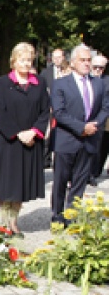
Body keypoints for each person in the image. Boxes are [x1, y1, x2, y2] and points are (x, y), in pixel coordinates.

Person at [0, 42, 50, 237]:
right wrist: (17, 133)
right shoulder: (2, 83)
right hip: (8, 142)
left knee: (21, 184)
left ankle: (14, 222)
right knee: (7, 184)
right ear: (14, 61)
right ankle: (4, 222)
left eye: (29, 60)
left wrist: (34, 132)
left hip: (31, 141)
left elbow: (44, 111)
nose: (26, 63)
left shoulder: (39, 84)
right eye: (22, 60)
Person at [50, 45, 109, 224]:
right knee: (60, 181)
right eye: (82, 60)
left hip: (90, 140)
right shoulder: (60, 83)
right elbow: (59, 112)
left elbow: (105, 107)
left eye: (89, 60)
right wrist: (81, 127)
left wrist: (95, 125)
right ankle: (57, 216)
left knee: (80, 181)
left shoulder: (99, 83)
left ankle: (72, 216)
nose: (86, 63)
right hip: (67, 139)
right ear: (73, 62)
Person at [90, 55, 109, 182]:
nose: (97, 70)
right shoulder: (85, 79)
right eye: (95, 67)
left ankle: (93, 174)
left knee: (97, 149)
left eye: (101, 68)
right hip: (85, 119)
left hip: (101, 120)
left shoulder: (107, 81)